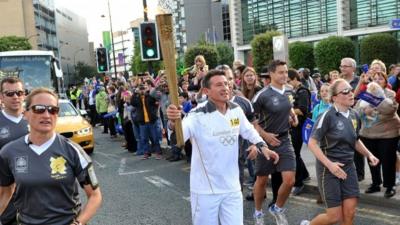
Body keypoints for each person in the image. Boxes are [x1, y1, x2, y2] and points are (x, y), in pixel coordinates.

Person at [166, 69, 279, 225]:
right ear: (206, 91)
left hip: (232, 187)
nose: (225, 88)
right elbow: (178, 140)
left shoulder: (236, 110)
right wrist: (173, 123)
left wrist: (263, 146)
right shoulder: (196, 115)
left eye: (226, 83)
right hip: (205, 190)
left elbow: (249, 131)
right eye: (219, 85)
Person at [0, 88, 102, 225]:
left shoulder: (73, 150)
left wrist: (78, 223)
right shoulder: (8, 152)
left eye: (53, 110)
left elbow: (95, 196)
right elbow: (6, 192)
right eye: (39, 109)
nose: (47, 115)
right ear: (25, 114)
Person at [300, 79, 379, 225]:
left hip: (349, 167)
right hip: (328, 169)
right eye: (345, 91)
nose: (350, 93)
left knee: (349, 213)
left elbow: (355, 140)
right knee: (334, 217)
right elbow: (312, 143)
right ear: (335, 97)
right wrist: (330, 165)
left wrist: (369, 154)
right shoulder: (327, 116)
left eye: (350, 89)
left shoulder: (354, 115)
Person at [252, 60, 298, 225]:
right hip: (265, 143)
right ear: (271, 74)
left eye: (286, 72)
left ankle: (277, 208)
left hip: (285, 139)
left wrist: (293, 116)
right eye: (280, 72)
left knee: (290, 180)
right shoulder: (262, 95)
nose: (285, 75)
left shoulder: (290, 90)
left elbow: (288, 106)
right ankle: (258, 212)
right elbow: (251, 121)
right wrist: (264, 135)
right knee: (262, 180)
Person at [355, 71, 399, 198]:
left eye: (380, 79)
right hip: (368, 134)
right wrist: (366, 110)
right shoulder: (365, 94)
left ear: (386, 81)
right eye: (374, 79)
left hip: (387, 134)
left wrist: (374, 106)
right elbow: (357, 110)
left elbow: (390, 110)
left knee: (388, 161)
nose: (377, 81)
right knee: (372, 160)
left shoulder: (390, 94)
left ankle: (389, 186)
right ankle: (375, 183)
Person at [0, 77, 29, 225]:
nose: (16, 97)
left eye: (19, 92)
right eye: (10, 93)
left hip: (34, 197)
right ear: (1, 97)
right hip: (6, 196)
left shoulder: (36, 118)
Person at [287, 69, 311, 196]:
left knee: (294, 154)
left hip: (300, 126)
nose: (287, 83)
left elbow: (302, 110)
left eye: (289, 81)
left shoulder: (303, 91)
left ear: (295, 79)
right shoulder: (293, 91)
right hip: (293, 127)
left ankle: (298, 183)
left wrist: (287, 109)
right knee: (295, 153)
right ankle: (305, 174)